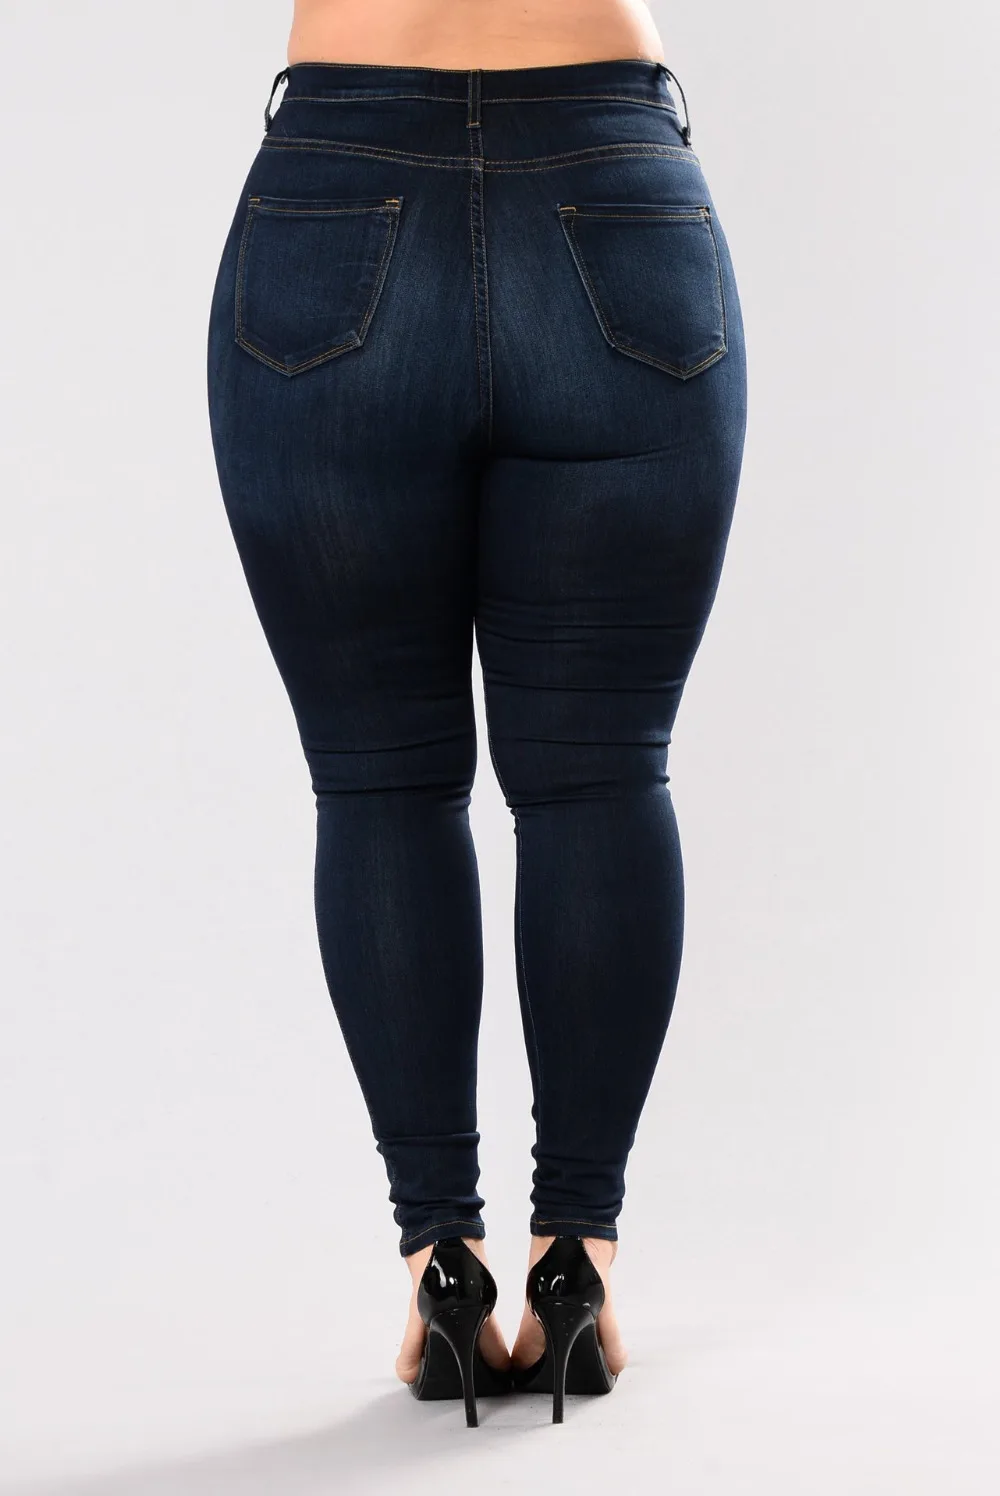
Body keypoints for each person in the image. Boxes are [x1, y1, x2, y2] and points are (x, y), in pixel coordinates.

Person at [206, 0, 747, 1425]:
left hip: (335, 202)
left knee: (379, 777)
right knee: (600, 772)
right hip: (614, 198)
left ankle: (441, 1260)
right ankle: (578, 1257)